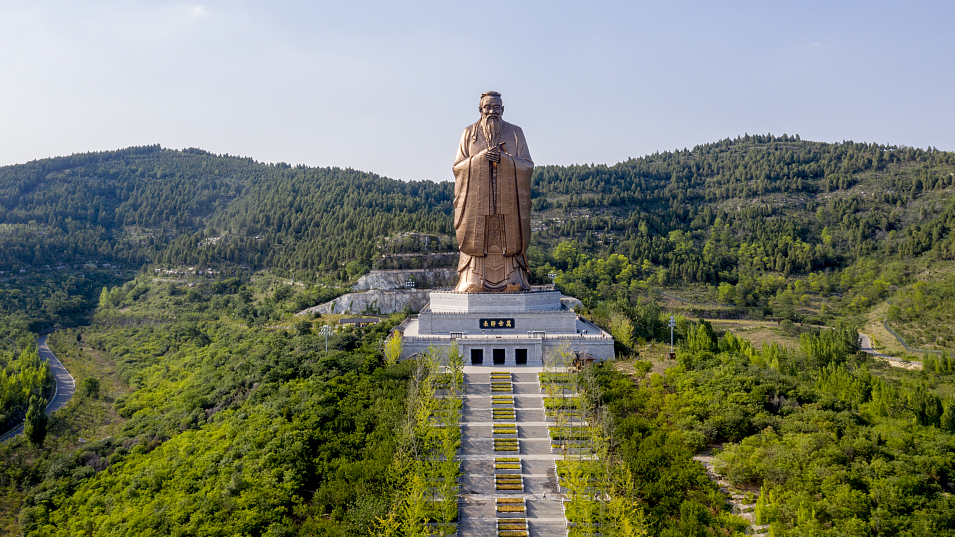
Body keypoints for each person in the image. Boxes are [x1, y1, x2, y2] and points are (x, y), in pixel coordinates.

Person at [452, 91, 534, 292]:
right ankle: (473, 279)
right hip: (478, 204)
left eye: (496, 107)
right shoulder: (468, 133)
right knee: (478, 240)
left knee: (509, 239)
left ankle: (513, 279)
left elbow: (527, 166)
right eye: (487, 107)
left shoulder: (515, 132)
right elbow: (458, 167)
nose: (492, 112)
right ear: (480, 110)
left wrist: (505, 159)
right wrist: (480, 158)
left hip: (508, 203)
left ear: (503, 109)